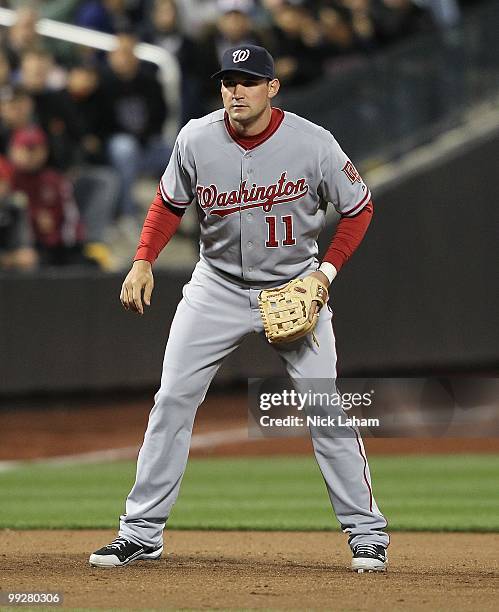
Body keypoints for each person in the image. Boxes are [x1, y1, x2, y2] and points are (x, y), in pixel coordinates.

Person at [89, 44, 389, 572]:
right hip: (217, 287)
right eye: (229, 81)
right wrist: (142, 261)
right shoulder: (196, 138)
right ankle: (140, 532)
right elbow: (167, 204)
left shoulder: (313, 144)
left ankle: (367, 533)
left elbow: (359, 210)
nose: (236, 91)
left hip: (295, 284)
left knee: (325, 408)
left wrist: (325, 274)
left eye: (249, 81)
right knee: (172, 402)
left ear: (273, 88)